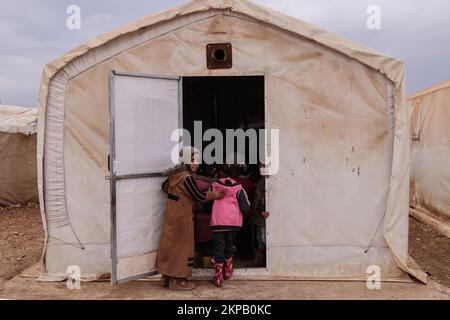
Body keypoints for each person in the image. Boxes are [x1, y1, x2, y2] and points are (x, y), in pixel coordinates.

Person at [157, 147, 224, 291]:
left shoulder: (175, 175)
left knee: (171, 244)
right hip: (182, 217)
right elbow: (199, 196)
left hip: (172, 215)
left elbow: (164, 187)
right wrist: (215, 194)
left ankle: (167, 277)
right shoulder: (186, 178)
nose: (196, 164)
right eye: (193, 160)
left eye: (198, 160)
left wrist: (178, 197)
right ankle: (178, 279)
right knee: (182, 246)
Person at [209, 165, 251, 287]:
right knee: (229, 245)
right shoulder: (238, 187)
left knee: (218, 246)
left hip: (218, 221)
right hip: (233, 222)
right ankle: (227, 271)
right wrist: (241, 214)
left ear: (220, 172)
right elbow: (245, 206)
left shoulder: (213, 185)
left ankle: (218, 277)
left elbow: (207, 202)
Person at [252, 163, 270, 266]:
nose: (261, 168)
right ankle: (262, 261)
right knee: (260, 238)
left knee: (263, 238)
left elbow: (263, 197)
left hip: (262, 214)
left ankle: (266, 261)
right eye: (260, 166)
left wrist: (262, 210)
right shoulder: (263, 179)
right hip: (259, 215)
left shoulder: (266, 180)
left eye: (263, 166)